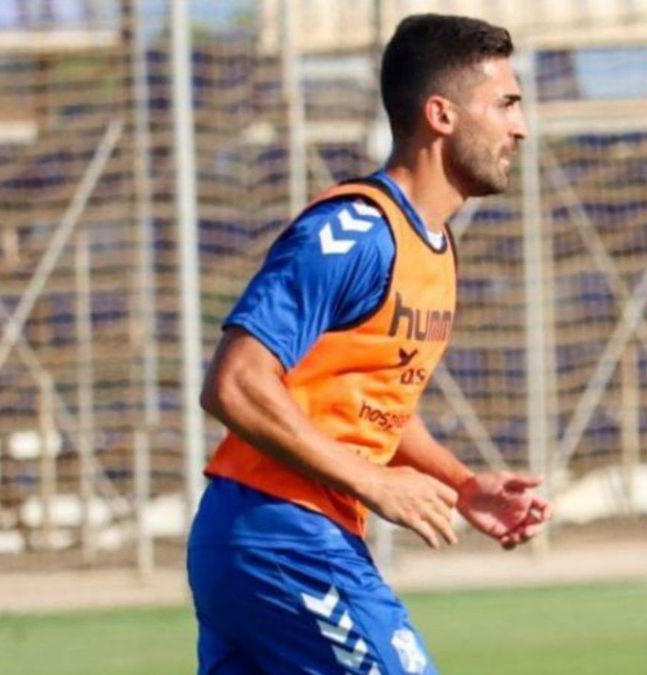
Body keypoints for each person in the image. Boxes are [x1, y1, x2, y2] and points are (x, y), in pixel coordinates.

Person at [187, 14, 552, 675]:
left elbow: (368, 403)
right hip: (284, 535)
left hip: (276, 538)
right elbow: (235, 382)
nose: (519, 127)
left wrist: (461, 486)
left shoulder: (434, 248)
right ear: (441, 115)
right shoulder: (354, 231)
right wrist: (372, 481)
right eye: (505, 104)